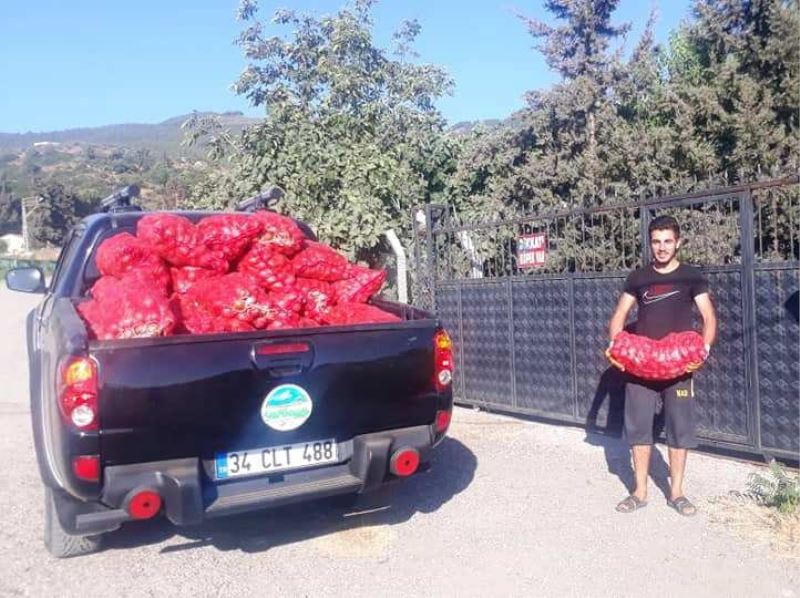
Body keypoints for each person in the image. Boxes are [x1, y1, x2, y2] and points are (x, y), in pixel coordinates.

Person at [606, 215, 717, 516]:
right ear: (650, 243)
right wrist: (616, 346)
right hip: (641, 367)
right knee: (639, 428)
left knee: (679, 429)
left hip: (679, 368)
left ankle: (677, 493)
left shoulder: (692, 277)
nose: (662, 247)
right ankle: (640, 492)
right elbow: (619, 316)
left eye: (668, 241)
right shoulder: (638, 278)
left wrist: (703, 351)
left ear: (678, 242)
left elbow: (708, 317)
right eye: (656, 241)